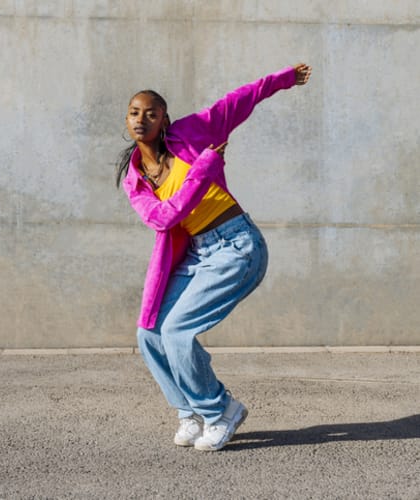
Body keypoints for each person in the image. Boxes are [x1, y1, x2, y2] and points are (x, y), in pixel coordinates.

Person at [116, 63, 312, 451]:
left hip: (237, 246)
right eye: (135, 112)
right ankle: (188, 411)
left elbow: (238, 100)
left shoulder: (192, 131)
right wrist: (204, 167)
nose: (142, 119)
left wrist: (284, 79)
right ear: (127, 120)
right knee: (149, 332)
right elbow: (163, 217)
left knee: (177, 332)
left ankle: (222, 409)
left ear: (165, 119)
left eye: (151, 112)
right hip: (198, 253)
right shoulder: (134, 178)